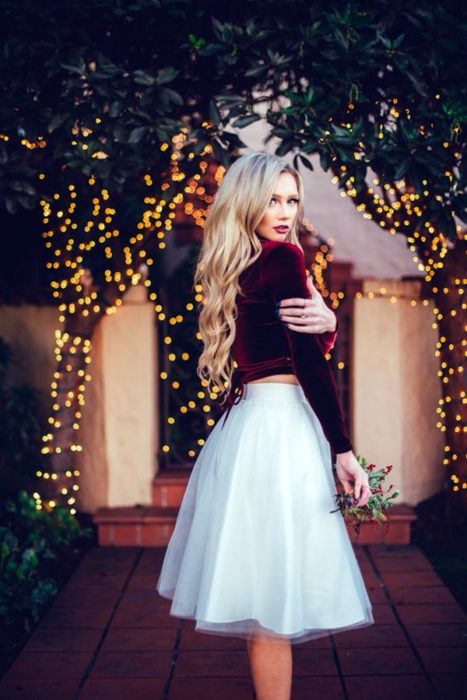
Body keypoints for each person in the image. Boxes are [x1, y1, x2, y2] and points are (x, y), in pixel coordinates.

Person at [156, 151, 374, 700]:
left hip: (248, 426)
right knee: (276, 601)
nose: (284, 211)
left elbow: (273, 352)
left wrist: (323, 327)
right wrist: (342, 449)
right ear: (248, 202)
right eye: (272, 199)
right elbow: (306, 365)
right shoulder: (282, 260)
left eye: (292, 200)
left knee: (263, 603)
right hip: (280, 432)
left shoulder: (241, 260)